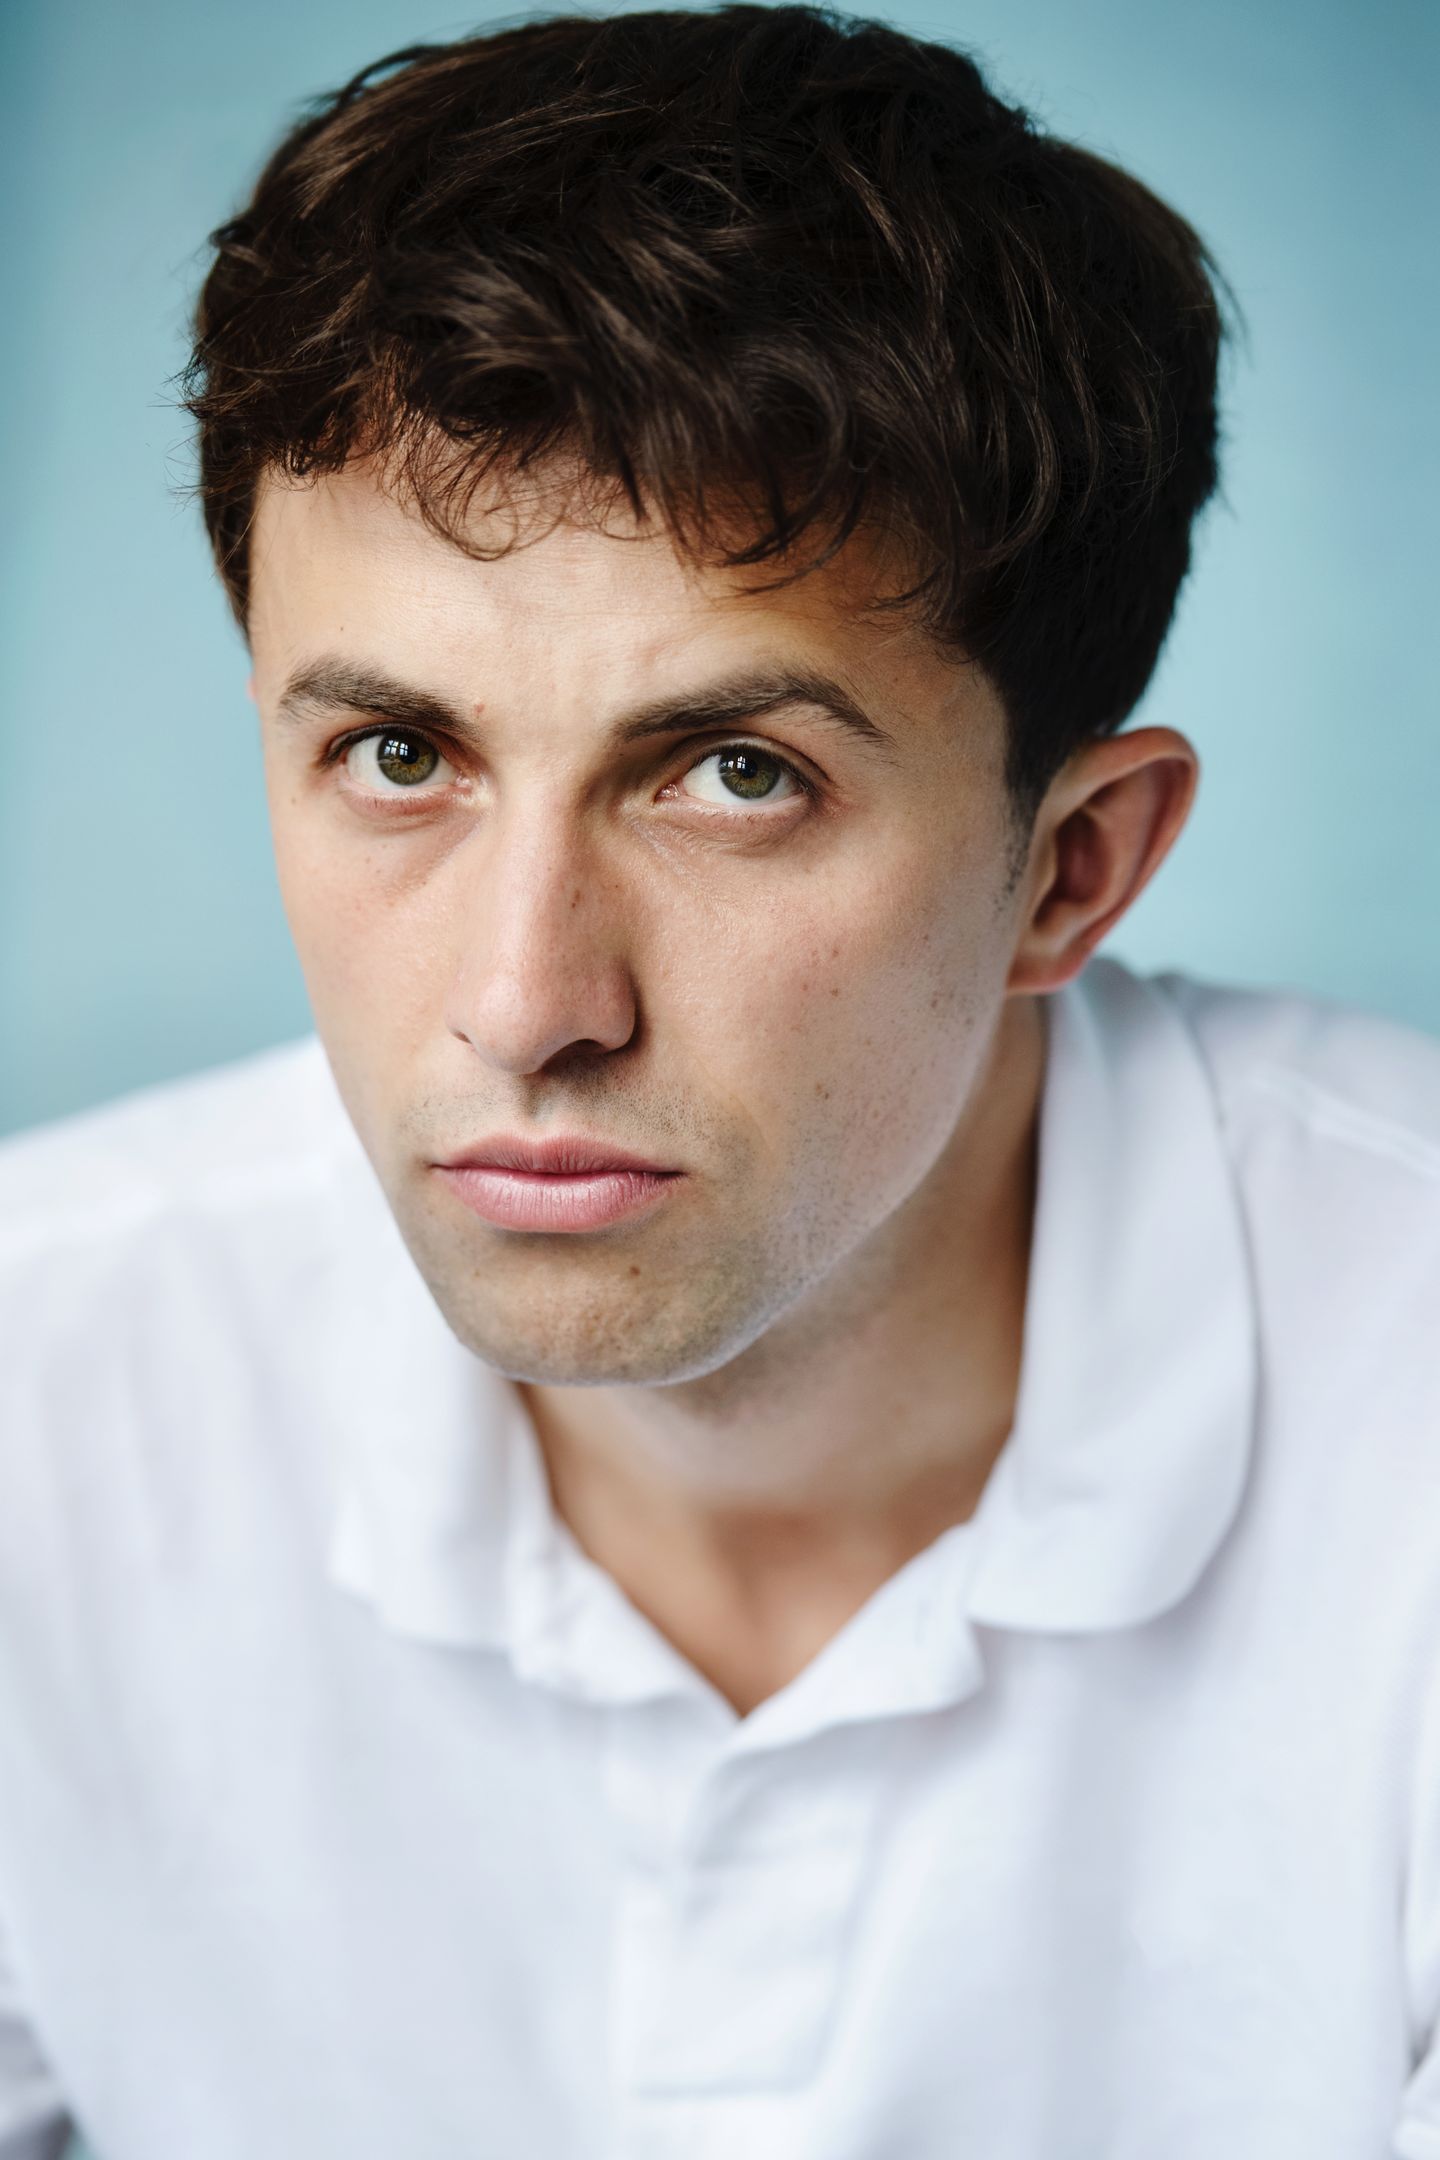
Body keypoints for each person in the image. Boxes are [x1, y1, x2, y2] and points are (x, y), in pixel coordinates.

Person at [2, 5, 1437, 2154]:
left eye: (736, 777)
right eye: (397, 754)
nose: (523, 1004)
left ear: (1071, 868)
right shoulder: (41, 1398)